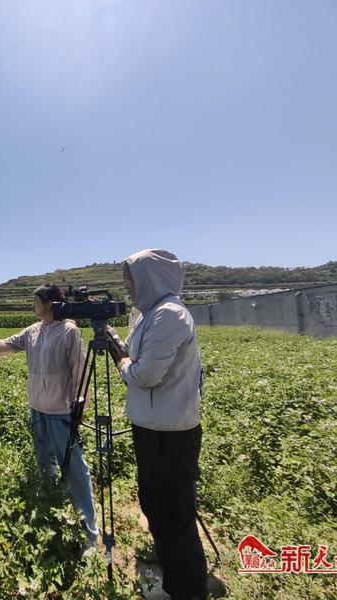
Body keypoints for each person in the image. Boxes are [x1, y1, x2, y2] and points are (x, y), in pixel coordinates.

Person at [0, 284, 99, 552]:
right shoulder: (33, 331)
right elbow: (4, 344)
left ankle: (88, 529)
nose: (32, 305)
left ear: (50, 304)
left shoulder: (69, 331)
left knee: (74, 467)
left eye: (36, 300)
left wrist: (81, 406)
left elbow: (80, 370)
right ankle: (51, 504)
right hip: (37, 408)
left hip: (60, 410)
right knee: (43, 461)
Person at [117, 249, 207, 600]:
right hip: (154, 428)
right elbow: (132, 351)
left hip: (170, 433)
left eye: (130, 278)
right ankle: (173, 568)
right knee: (156, 504)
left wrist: (123, 365)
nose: (127, 285)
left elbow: (145, 374)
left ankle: (186, 589)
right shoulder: (149, 314)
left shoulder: (169, 314)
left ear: (149, 277)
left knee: (174, 513)